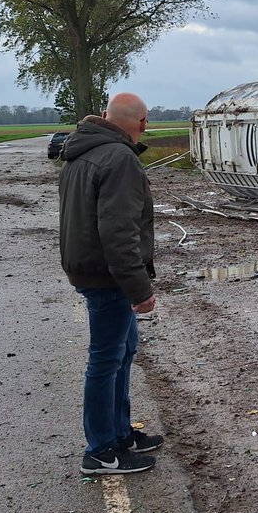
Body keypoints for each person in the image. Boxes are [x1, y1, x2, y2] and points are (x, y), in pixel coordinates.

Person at [59, 92, 164, 475]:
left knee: (122, 351)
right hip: (107, 275)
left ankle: (120, 434)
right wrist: (140, 289)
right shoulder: (118, 159)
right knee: (106, 360)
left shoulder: (82, 152)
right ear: (141, 123)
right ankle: (101, 450)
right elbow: (119, 232)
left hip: (90, 268)